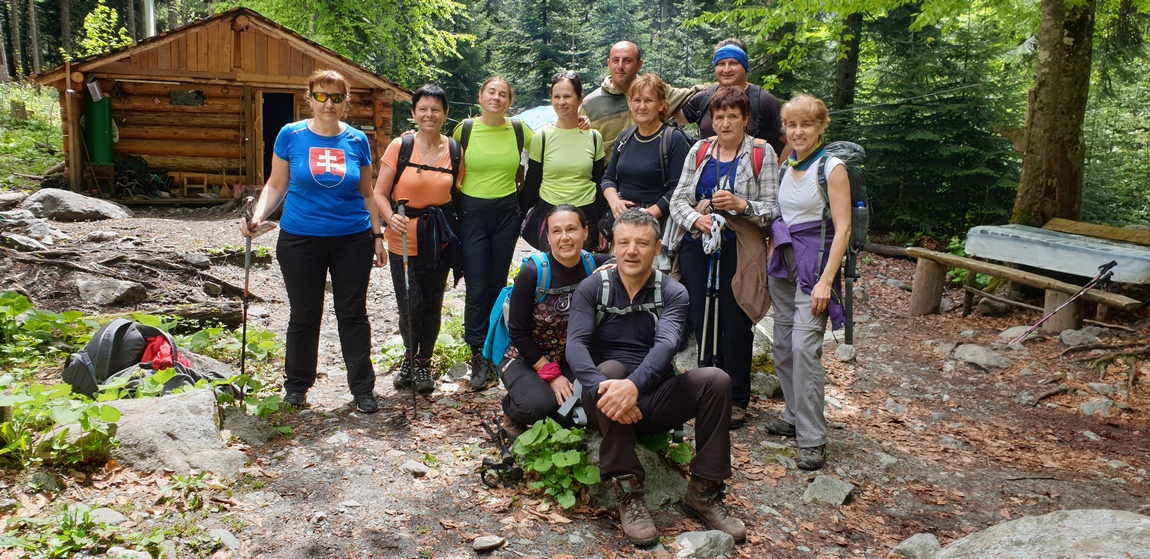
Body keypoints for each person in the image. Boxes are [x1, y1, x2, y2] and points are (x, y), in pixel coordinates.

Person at [566, 208, 746, 546]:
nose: (632, 251)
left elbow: (667, 344)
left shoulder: (673, 292)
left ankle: (704, 493)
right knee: (610, 371)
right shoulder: (592, 288)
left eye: (642, 243)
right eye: (624, 242)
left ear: (657, 247)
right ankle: (629, 494)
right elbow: (575, 346)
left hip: (654, 398)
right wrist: (610, 389)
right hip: (603, 399)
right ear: (614, 246)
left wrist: (633, 388)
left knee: (716, 380)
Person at [241, 69, 384, 414]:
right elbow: (276, 185)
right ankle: (296, 387)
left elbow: (367, 193)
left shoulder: (357, 140)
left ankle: (363, 389)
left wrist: (378, 235)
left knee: (353, 313)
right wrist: (258, 216)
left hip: (352, 238)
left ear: (346, 102)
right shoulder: (290, 135)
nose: (328, 104)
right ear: (309, 99)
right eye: (321, 96)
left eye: (336, 97)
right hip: (300, 238)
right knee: (304, 313)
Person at [664, 86, 779, 430]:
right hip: (699, 244)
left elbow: (774, 208)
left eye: (733, 116)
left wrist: (742, 206)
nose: (725, 123)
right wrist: (695, 220)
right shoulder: (700, 150)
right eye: (719, 116)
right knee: (702, 318)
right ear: (711, 120)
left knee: (735, 321)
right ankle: (707, 391)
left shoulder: (761, 152)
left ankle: (737, 398)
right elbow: (678, 200)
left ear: (746, 120)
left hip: (740, 246)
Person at [764, 94, 850, 471]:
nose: (798, 132)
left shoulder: (832, 167)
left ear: (821, 126)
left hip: (815, 268)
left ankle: (813, 438)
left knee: (803, 347)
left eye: (806, 125)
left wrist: (826, 282)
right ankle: (794, 415)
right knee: (783, 345)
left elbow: (843, 229)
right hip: (784, 263)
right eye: (792, 125)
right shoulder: (788, 164)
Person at [373, 84, 463, 395]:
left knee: (434, 305)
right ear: (413, 113)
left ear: (445, 114)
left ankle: (424, 362)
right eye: (423, 109)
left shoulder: (454, 150)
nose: (429, 114)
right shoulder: (400, 146)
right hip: (403, 239)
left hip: (438, 241)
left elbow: (456, 195)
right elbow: (379, 193)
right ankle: (409, 357)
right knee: (411, 305)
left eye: (436, 109)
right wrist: (389, 218)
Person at [451, 77, 537, 392]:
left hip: (506, 214)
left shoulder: (518, 130)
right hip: (471, 212)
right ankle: (477, 353)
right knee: (475, 287)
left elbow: (550, 145)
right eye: (491, 92)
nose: (496, 98)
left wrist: (579, 124)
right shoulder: (465, 129)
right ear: (480, 96)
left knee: (497, 285)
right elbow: (440, 152)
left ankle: (495, 349)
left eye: (503, 94)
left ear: (509, 101)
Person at [499, 205, 611, 437]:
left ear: (585, 232)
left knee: (580, 412)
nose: (565, 237)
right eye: (557, 231)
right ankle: (512, 408)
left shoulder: (596, 265)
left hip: (570, 359)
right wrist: (552, 375)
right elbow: (518, 333)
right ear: (548, 237)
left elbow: (632, 261)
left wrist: (620, 268)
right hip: (526, 357)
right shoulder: (533, 272)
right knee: (538, 406)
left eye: (571, 229)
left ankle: (549, 401)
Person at [520, 71, 606, 251]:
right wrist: (517, 217)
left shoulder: (594, 137)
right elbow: (532, 182)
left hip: (586, 215)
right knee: (550, 265)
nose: (561, 102)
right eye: (556, 97)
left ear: (580, 99)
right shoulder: (542, 137)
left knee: (583, 266)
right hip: (550, 213)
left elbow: (599, 182)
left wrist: (604, 225)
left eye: (567, 96)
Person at [600, 73, 692, 234]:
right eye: (637, 100)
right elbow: (608, 178)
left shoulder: (673, 139)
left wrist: (646, 217)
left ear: (662, 105)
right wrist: (614, 202)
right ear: (630, 104)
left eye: (648, 101)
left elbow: (678, 189)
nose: (642, 106)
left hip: (656, 226)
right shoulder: (625, 137)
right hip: (622, 223)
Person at [581, 41, 700, 152]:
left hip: (655, 164)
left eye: (627, 61)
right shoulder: (590, 105)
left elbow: (695, 93)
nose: (620, 66)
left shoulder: (656, 92)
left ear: (639, 65)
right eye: (615, 60)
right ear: (608, 63)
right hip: (612, 167)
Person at [682, 38, 789, 160]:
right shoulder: (703, 99)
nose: (726, 69)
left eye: (733, 63)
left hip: (753, 171)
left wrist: (778, 168)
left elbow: (791, 141)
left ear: (744, 65)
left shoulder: (764, 101)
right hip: (710, 170)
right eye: (721, 63)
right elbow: (668, 116)